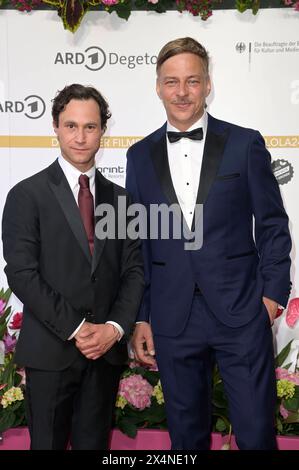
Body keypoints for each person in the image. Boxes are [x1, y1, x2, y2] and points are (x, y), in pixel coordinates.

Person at [126, 37, 292, 450]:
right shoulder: (138, 155)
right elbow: (138, 240)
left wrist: (271, 295)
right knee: (186, 438)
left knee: (256, 434)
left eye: (192, 81)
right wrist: (143, 315)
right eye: (171, 82)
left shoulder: (244, 143)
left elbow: (272, 223)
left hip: (241, 311)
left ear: (208, 84)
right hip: (171, 316)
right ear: (158, 87)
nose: (182, 92)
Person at [2, 84, 144, 450]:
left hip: (105, 355)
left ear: (103, 130)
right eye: (71, 126)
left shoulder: (122, 199)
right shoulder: (26, 194)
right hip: (51, 353)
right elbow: (21, 272)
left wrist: (113, 329)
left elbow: (133, 270)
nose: (80, 137)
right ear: (55, 127)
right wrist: (78, 328)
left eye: (90, 127)